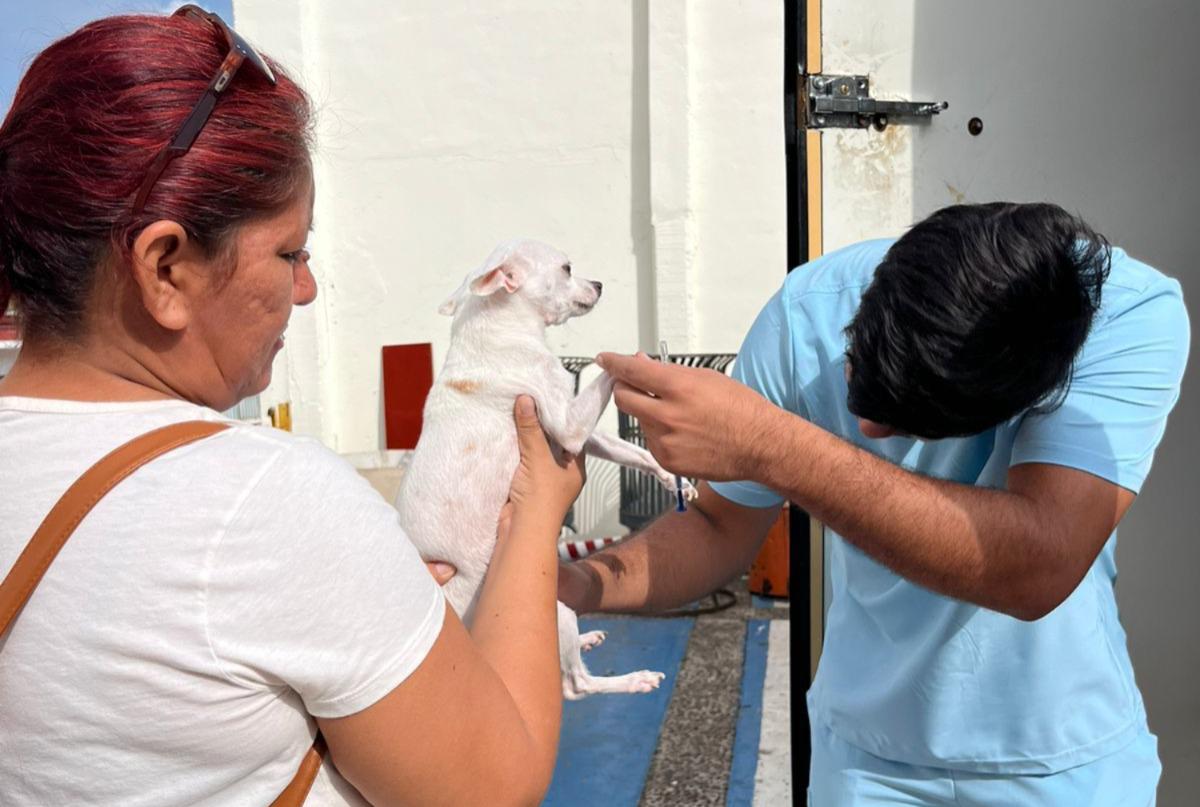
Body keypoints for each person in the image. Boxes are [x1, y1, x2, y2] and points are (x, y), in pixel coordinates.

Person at [0, 8, 580, 806]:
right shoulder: (263, 503)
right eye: (289, 253)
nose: (305, 289)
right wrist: (538, 518)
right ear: (165, 267)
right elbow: (496, 785)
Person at [559, 203, 1189, 805]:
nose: (867, 432)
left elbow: (1037, 565)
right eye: (857, 369)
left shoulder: (1126, 316)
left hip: (1058, 758)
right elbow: (717, 525)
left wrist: (770, 446)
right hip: (866, 760)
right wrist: (575, 586)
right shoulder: (807, 314)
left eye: (906, 424)